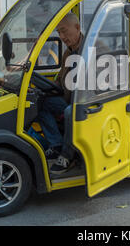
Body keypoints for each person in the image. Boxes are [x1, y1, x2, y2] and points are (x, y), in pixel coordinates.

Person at [36, 12, 83, 175]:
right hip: (69, 99)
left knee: (70, 112)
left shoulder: (95, 49)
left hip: (88, 102)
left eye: (64, 31)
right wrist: (44, 88)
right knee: (40, 102)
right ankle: (55, 145)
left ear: (77, 28)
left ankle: (67, 156)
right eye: (59, 33)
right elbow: (62, 80)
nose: (62, 36)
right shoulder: (68, 53)